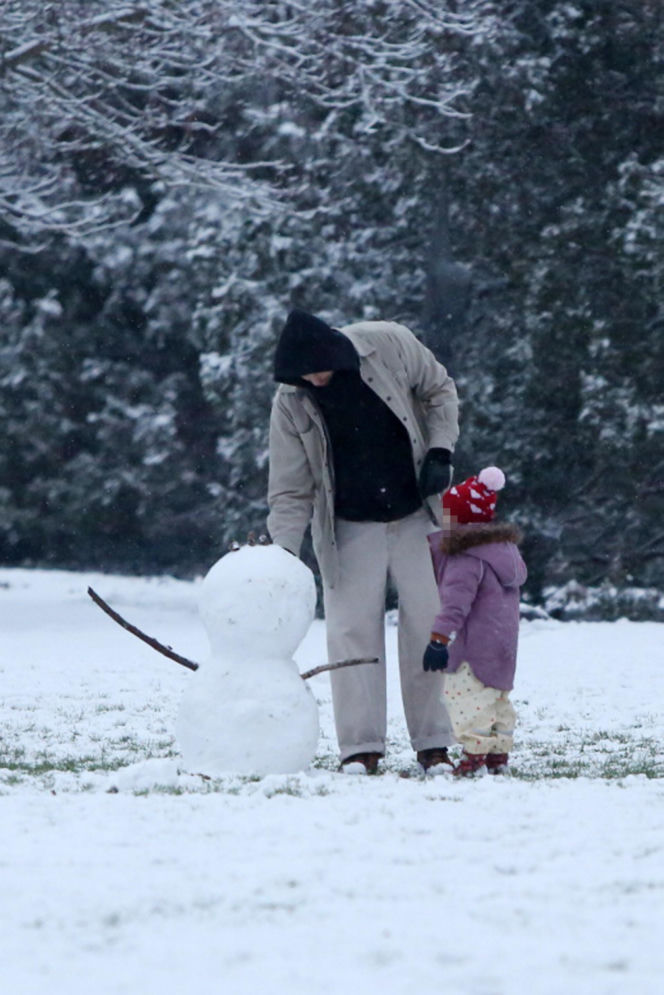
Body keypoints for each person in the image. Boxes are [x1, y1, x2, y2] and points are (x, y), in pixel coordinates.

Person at [267, 308, 459, 774]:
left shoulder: (389, 344)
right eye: (302, 374)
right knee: (350, 632)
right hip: (348, 524)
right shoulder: (291, 402)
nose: (313, 378)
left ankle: (434, 742)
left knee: (431, 624)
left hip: (417, 512)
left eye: (318, 367)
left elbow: (440, 390)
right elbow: (291, 488)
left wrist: (440, 449)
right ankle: (360, 748)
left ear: (336, 349)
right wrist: (283, 555)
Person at [423, 466, 527, 776]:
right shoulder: (505, 552)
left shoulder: (466, 558)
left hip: (473, 648)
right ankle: (498, 754)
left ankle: (474, 756)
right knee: (496, 699)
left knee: (466, 699)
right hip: (503, 645)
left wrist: (439, 640)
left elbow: (454, 605)